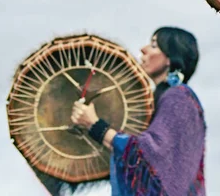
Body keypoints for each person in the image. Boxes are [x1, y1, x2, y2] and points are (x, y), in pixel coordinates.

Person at [71, 27, 206, 196]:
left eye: (154, 45)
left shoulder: (179, 97)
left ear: (170, 59)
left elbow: (151, 154)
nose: (143, 49)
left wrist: (95, 125)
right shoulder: (168, 98)